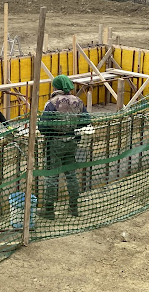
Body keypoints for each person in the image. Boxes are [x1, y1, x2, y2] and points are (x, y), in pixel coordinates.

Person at [38, 75, 92, 219]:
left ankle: (49, 210)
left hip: (55, 143)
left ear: (56, 88)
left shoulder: (52, 103)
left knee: (51, 176)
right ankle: (73, 208)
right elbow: (86, 121)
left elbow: (43, 126)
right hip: (72, 142)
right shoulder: (78, 101)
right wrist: (73, 128)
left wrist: (53, 131)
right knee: (71, 175)